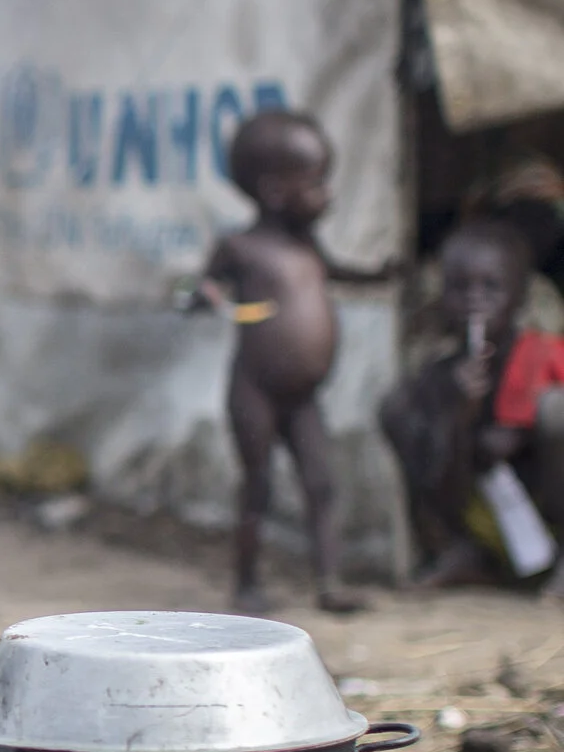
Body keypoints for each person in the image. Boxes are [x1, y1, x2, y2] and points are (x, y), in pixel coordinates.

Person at [193, 108, 370, 615]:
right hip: (257, 391)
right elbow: (200, 287)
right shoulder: (241, 248)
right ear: (273, 190)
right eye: (316, 182)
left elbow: (337, 272)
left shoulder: (307, 244)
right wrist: (201, 296)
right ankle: (246, 584)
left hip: (303, 395)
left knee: (321, 483)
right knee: (259, 486)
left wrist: (378, 273)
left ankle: (330, 582)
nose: (327, 194)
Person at [379, 219, 564, 592]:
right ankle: (461, 553)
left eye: (491, 286)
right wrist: (460, 414)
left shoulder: (542, 353)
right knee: (398, 408)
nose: (474, 299)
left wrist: (520, 433)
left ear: (521, 296)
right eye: (459, 288)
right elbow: (441, 479)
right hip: (481, 514)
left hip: (545, 508)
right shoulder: (437, 377)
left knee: (555, 410)